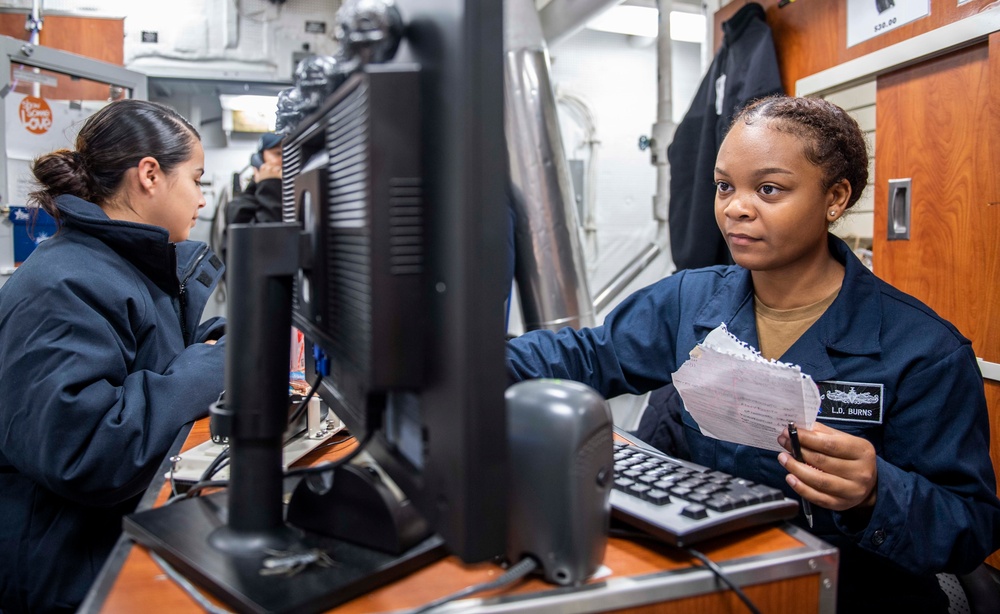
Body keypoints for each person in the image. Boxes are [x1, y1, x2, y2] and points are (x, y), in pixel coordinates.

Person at [506, 95, 1000, 613]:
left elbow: (971, 527)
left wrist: (877, 491)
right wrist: (464, 370)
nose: (735, 207)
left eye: (768, 189)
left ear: (835, 197)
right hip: (714, 582)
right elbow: (586, 355)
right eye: (725, 186)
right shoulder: (687, 300)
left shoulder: (923, 351)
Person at [0, 99, 226, 613]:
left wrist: (225, 340)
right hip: (66, 571)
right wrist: (214, 365)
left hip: (102, 540)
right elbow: (87, 449)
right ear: (149, 174)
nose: (201, 199)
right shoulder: (63, 285)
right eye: (196, 179)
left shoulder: (119, 267)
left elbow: (152, 355)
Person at [220, 132, 283, 263]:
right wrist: (270, 185)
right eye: (278, 154)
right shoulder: (240, 207)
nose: (285, 160)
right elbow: (265, 248)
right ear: (259, 161)